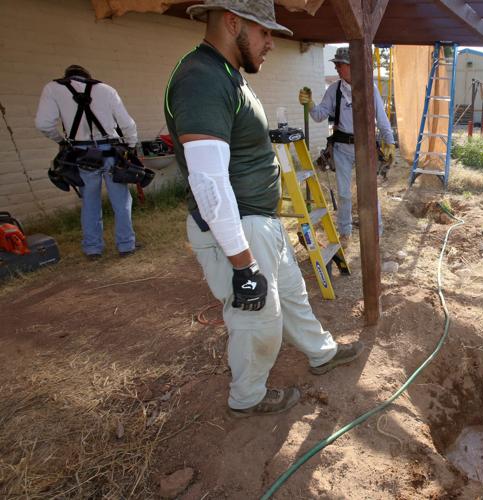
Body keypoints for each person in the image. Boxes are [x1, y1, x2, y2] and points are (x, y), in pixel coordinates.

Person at [166, 0, 363, 417]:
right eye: (264, 32)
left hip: (260, 222)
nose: (271, 43)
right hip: (237, 227)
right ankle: (248, 395)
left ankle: (321, 352)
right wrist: (243, 265)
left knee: (292, 295)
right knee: (258, 320)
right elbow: (208, 182)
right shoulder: (201, 79)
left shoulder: (227, 76)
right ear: (232, 22)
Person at [35, 64, 139, 259]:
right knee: (121, 200)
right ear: (88, 77)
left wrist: (61, 140)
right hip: (110, 149)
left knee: (90, 201)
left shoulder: (53, 89)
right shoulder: (106, 90)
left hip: (82, 153)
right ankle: (126, 245)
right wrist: (131, 145)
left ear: (68, 77)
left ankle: (93, 248)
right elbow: (127, 123)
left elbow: (43, 123)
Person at [298, 46, 396, 248]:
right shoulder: (334, 90)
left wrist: (391, 142)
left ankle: (375, 232)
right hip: (342, 149)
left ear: (352, 66)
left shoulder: (370, 88)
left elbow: (382, 119)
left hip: (365, 148)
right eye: (336, 65)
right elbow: (319, 116)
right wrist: (310, 104)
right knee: (343, 194)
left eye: (339, 65)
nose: (336, 68)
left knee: (368, 192)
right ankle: (345, 233)